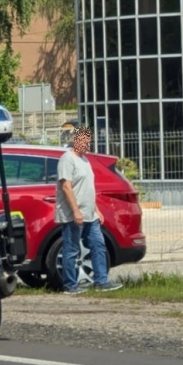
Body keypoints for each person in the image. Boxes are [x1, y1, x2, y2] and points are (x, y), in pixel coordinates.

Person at [56, 126, 122, 294]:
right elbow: (66, 187)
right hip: (74, 215)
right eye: (84, 141)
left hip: (90, 214)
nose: (87, 144)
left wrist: (96, 210)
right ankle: (70, 286)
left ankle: (101, 281)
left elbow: (88, 188)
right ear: (76, 141)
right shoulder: (67, 159)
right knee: (71, 250)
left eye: (89, 141)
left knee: (98, 244)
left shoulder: (85, 161)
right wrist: (76, 211)